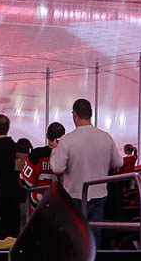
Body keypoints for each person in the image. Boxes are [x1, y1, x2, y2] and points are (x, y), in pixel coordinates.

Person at [51, 98, 123, 244]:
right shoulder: (105, 137)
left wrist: (54, 151)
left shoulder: (67, 140)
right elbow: (118, 162)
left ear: (75, 114)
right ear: (90, 114)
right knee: (94, 236)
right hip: (99, 195)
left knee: (74, 236)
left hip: (74, 196)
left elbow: (57, 167)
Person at [20, 121, 67, 213]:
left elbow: (25, 182)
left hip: (36, 208)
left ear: (47, 136)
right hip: (58, 208)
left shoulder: (36, 154)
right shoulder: (67, 155)